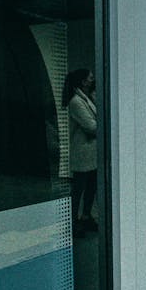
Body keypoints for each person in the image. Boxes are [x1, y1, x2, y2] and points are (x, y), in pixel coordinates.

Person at [63, 69, 98, 237]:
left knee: (91, 187)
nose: (93, 80)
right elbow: (91, 126)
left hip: (91, 153)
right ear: (83, 81)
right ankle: (73, 222)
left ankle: (86, 216)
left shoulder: (86, 99)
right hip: (82, 153)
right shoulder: (76, 102)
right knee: (78, 190)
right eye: (90, 78)